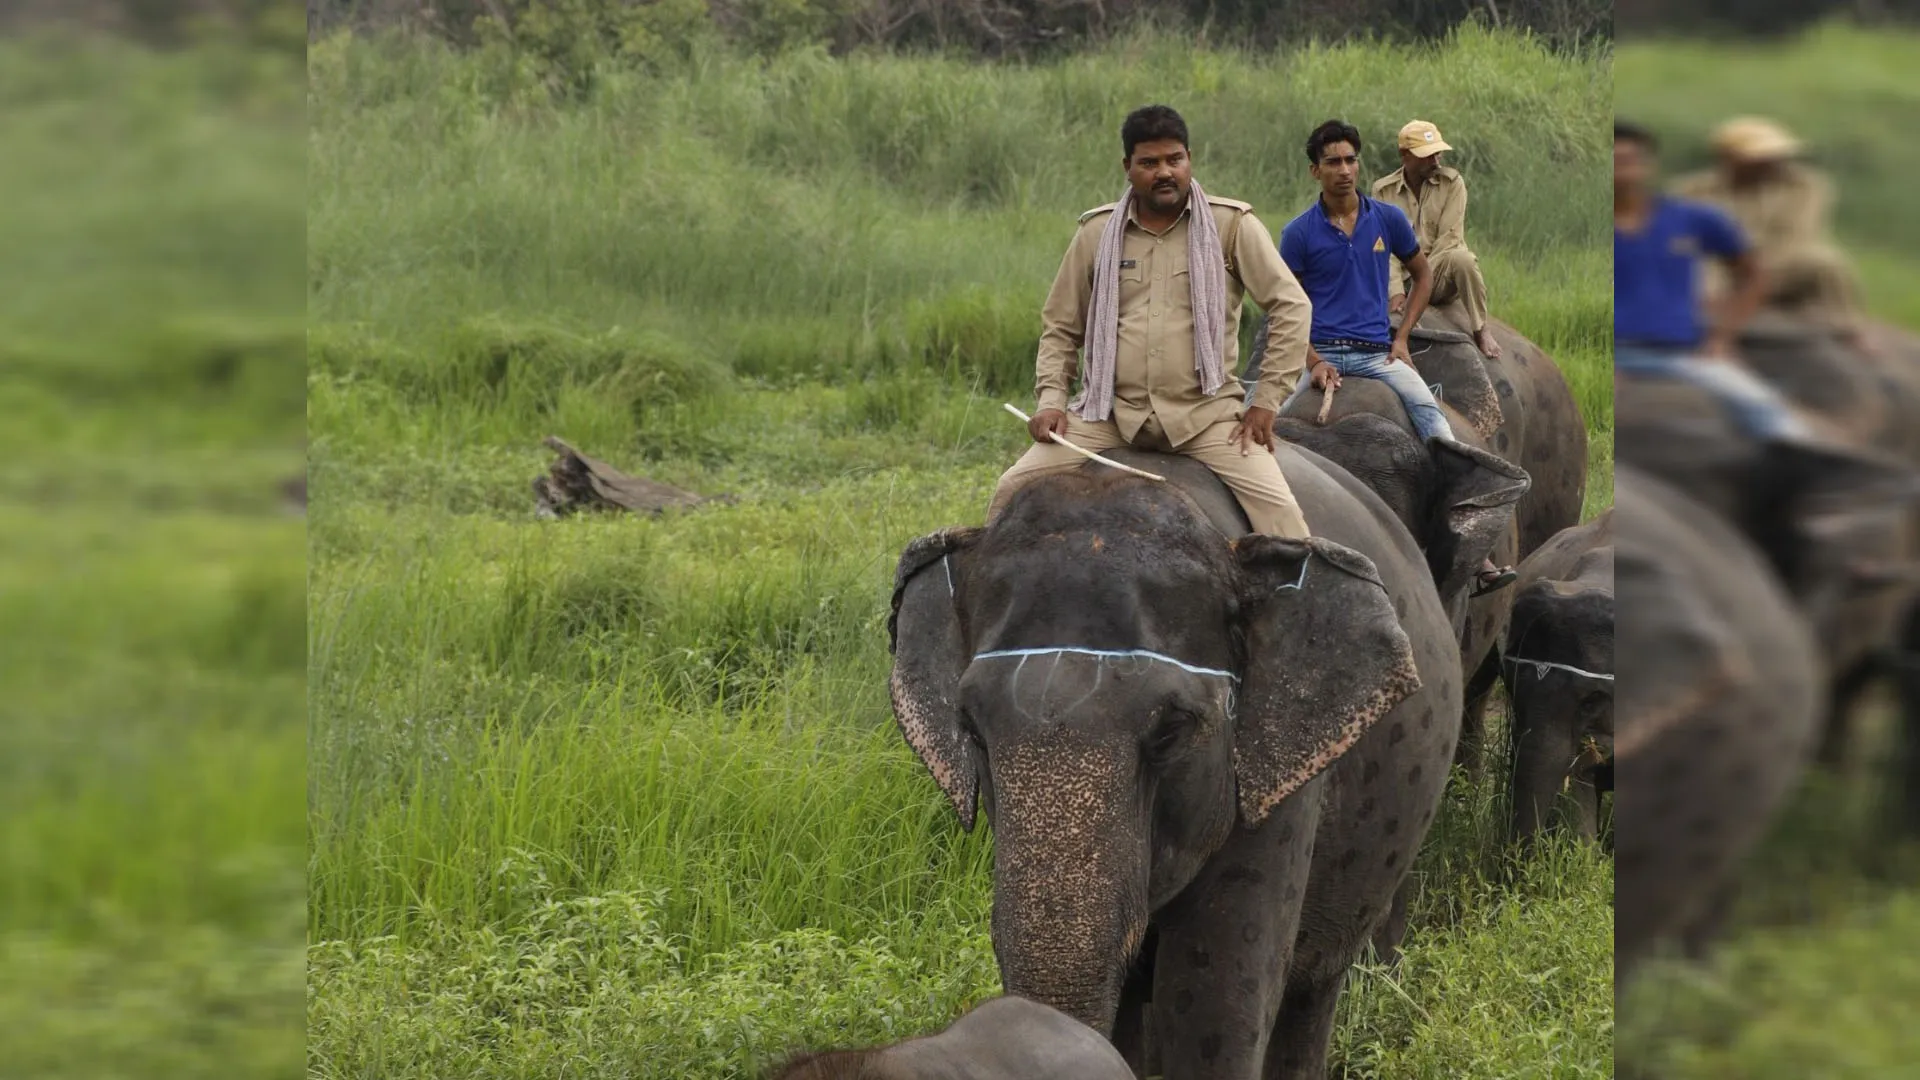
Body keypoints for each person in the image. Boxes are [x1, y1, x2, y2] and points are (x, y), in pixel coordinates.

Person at [987, 104, 1315, 538]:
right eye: (1150, 163)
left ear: (1189, 159)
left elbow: (1291, 305)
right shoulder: (1096, 233)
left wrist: (1266, 401)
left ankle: (1296, 605)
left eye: (1174, 160)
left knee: (1284, 521)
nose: (1165, 172)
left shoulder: (1231, 226)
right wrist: (1050, 399)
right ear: (1128, 167)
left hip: (1205, 417)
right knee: (1011, 489)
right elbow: (1062, 326)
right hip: (1108, 415)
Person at [1277, 119, 1515, 595]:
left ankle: (1474, 551)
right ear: (1314, 171)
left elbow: (1422, 276)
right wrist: (1310, 360)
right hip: (1321, 356)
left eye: (1350, 160)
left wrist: (1401, 339)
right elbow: (1283, 303)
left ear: (1358, 163)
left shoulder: (1385, 219)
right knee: (1257, 429)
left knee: (1438, 429)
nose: (1344, 170)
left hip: (1375, 356)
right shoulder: (1298, 233)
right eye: (1332, 162)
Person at [1612, 119, 1810, 443]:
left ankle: (1807, 467)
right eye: (1615, 162)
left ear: (1649, 164)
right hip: (1615, 354)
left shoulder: (1693, 218)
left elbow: (1753, 274)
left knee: (1763, 407)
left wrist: (1723, 336)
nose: (1623, 171)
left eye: (1631, 160)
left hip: (1678, 354)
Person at [1671, 116, 1869, 344]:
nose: (1771, 161)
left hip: (1776, 263)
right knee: (1698, 271)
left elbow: (1797, 235)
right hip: (1717, 269)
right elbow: (1682, 238)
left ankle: (1849, 329)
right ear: (1729, 158)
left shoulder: (1804, 185)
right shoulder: (1691, 190)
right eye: (1759, 156)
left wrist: (1751, 269)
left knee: (1824, 261)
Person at [1371, 119, 1503, 359]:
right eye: (1426, 155)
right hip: (1400, 275)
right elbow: (1385, 247)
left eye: (1437, 154)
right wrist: (1396, 291)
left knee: (1463, 258)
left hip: (1437, 271)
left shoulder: (1452, 184)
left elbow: (1449, 239)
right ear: (1405, 155)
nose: (1435, 161)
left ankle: (1480, 328)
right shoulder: (1383, 191)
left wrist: (1421, 279)